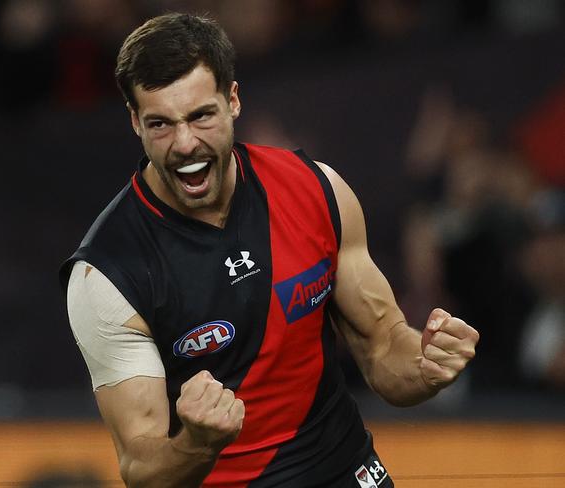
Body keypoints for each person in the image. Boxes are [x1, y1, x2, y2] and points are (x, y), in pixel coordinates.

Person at [61, 12, 480, 488]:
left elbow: (384, 348)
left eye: (201, 116)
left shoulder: (316, 189)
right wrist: (197, 441)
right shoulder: (108, 275)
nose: (184, 143)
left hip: (347, 471)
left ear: (233, 100)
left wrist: (426, 365)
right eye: (160, 124)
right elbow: (143, 471)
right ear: (135, 121)